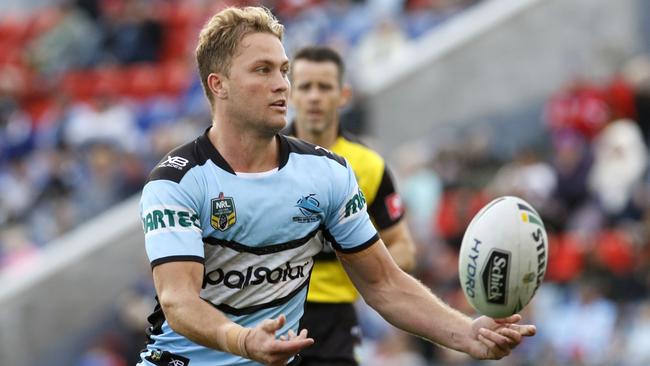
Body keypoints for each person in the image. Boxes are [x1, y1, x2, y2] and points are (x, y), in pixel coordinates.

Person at [137, 6, 536, 366]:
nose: (282, 85)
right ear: (218, 85)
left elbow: (384, 284)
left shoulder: (328, 174)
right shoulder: (176, 182)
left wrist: (468, 333)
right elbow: (179, 301)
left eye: (283, 70)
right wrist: (241, 341)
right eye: (262, 70)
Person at [285, 45, 416, 365]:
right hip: (269, 310)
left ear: (343, 95)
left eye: (325, 87)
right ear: (290, 94)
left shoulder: (369, 165)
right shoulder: (262, 159)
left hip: (335, 321)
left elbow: (404, 250)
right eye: (305, 86)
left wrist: (359, 257)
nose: (315, 96)